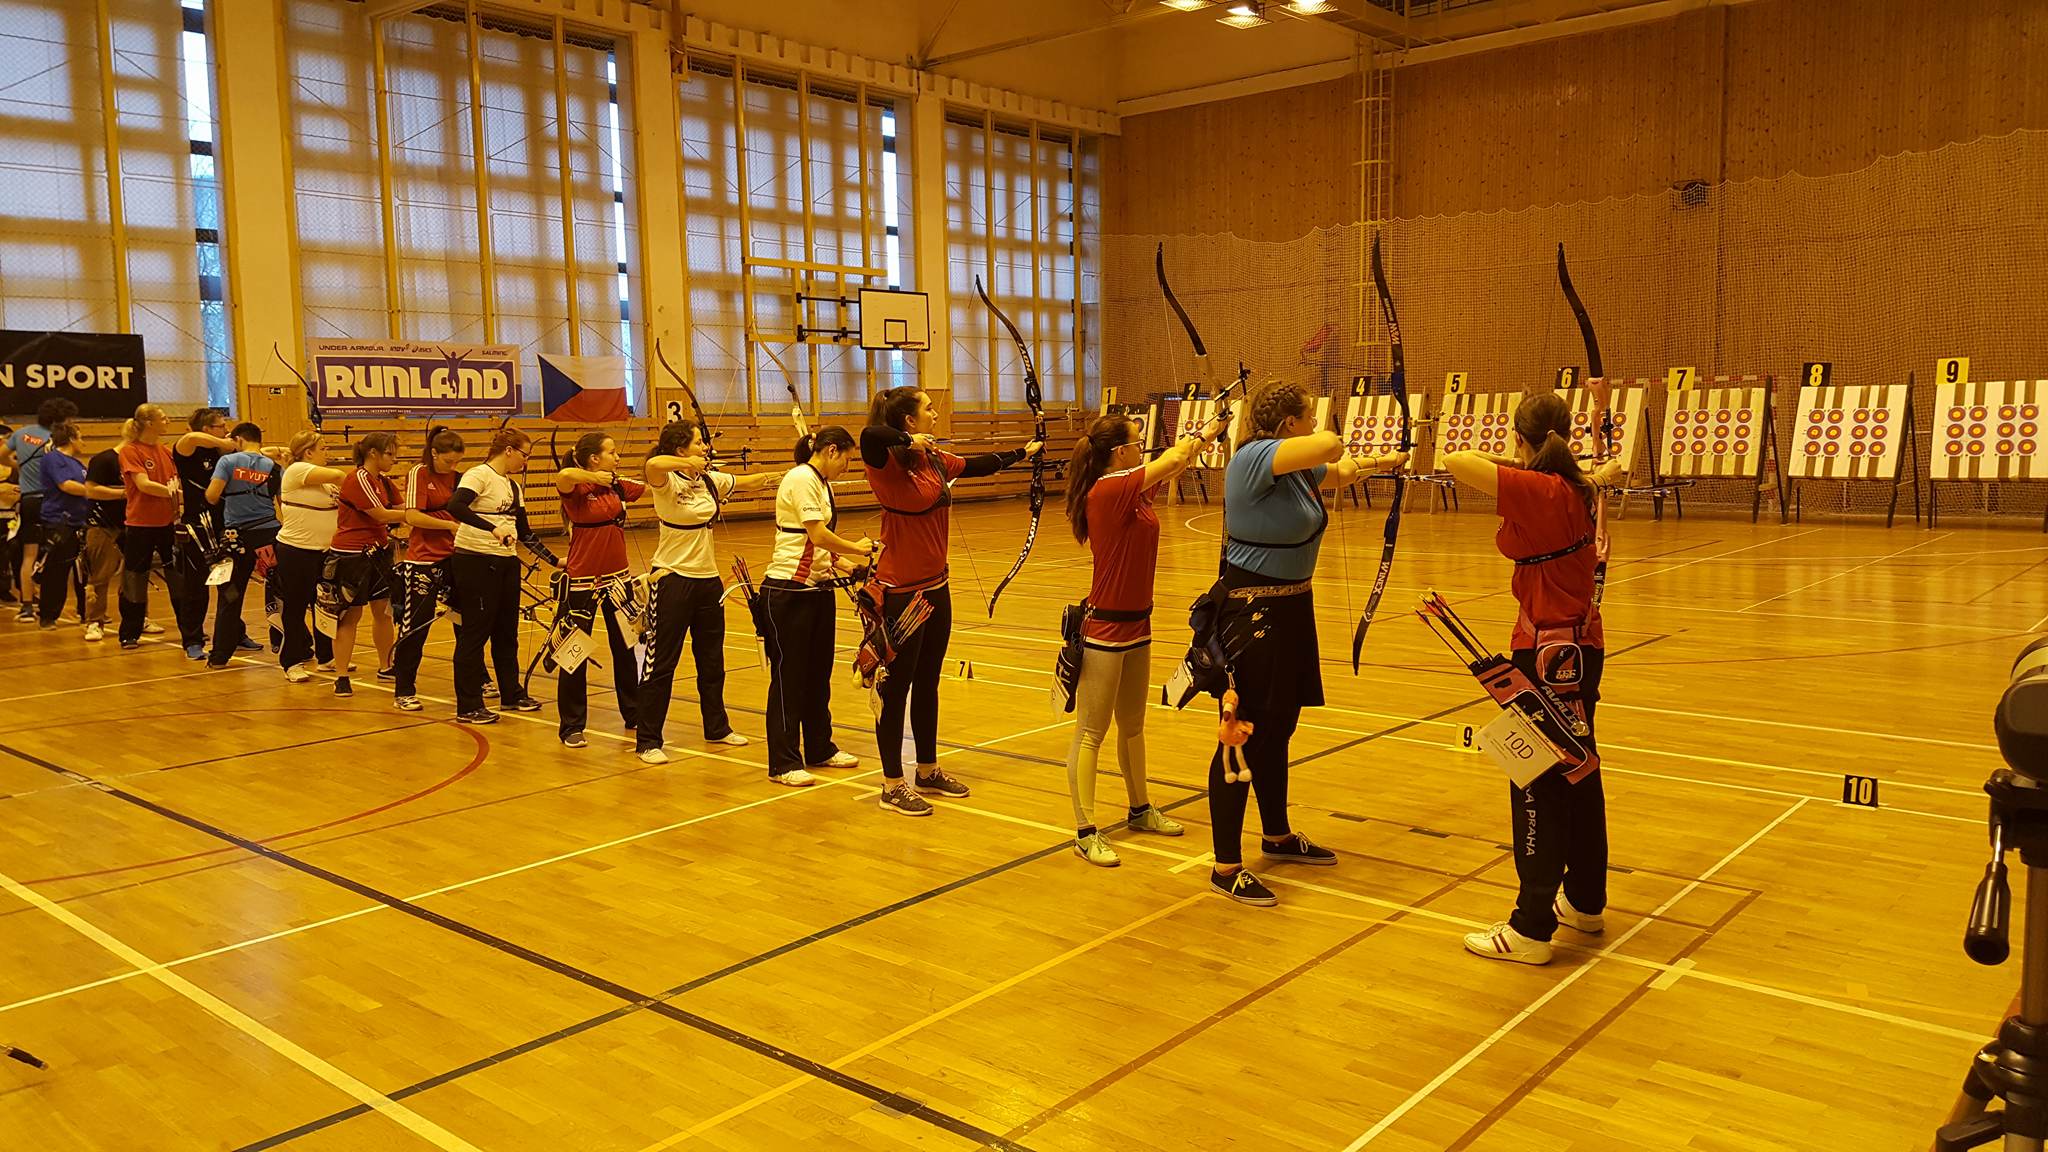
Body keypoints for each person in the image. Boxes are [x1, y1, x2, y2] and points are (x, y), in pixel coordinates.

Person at [1204, 380, 1406, 906]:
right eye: (1309, 415)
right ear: (1289, 424)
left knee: (1279, 728)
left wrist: (1388, 460)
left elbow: (1340, 470)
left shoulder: (1292, 470)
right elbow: (1331, 447)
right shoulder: (1253, 459)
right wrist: (1333, 442)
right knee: (1242, 733)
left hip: (1292, 609)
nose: (1316, 423)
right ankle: (1226, 865)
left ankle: (1276, 835)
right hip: (1253, 612)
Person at [1442, 390, 1626, 964]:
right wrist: (1573, 465)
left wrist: (1521, 463)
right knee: (1579, 771)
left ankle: (1530, 928)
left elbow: (1454, 458)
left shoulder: (1543, 489)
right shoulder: (1576, 486)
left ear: (1521, 440)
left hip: (1547, 656)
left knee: (1536, 777)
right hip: (1579, 647)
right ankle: (1585, 902)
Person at [1058, 407, 1229, 865]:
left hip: (1138, 624)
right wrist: (1193, 441)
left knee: (1133, 725)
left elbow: (1176, 464)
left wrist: (1209, 432)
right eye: (1137, 442)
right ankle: (1085, 830)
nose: (1142, 448)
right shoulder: (1109, 488)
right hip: (1105, 628)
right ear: (1120, 453)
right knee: (1091, 731)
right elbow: (1171, 460)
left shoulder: (1131, 491)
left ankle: (1139, 809)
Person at [859, 386, 1042, 816]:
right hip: (902, 592)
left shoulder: (934, 460)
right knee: (896, 688)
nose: (935, 413)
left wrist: (1023, 452)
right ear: (909, 421)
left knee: (928, 681)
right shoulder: (887, 462)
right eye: (928, 409)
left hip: (936, 587)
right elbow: (870, 435)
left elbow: (977, 465)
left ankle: (927, 769)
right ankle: (891, 784)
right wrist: (909, 442)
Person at [635, 420, 780, 763]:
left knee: (712, 661)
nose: (705, 447)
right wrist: (688, 463)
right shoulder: (666, 479)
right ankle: (648, 740)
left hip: (708, 580)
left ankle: (716, 727)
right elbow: (653, 464)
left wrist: (791, 474)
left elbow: (750, 481)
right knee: (661, 663)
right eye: (698, 442)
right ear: (680, 449)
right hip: (672, 578)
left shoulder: (709, 480)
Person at [759, 426, 873, 786]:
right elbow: (817, 535)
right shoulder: (801, 478)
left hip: (817, 590)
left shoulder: (822, 484)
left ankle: (820, 747)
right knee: (789, 679)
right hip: (789, 591)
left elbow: (821, 550)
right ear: (831, 450)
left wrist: (852, 566)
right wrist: (858, 548)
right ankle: (783, 762)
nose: (847, 467)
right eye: (847, 459)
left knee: (817, 676)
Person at [444, 427, 558, 725]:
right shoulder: (478, 475)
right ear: (508, 450)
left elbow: (525, 532)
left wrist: (554, 560)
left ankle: (512, 694)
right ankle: (468, 705)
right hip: (475, 560)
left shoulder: (513, 487)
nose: (526, 461)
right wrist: (491, 528)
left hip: (506, 562)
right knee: (475, 632)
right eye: (524, 454)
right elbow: (455, 506)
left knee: (507, 632)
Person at [551, 433, 652, 749]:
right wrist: (594, 478)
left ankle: (633, 712)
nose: (617, 457)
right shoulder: (577, 488)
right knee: (575, 651)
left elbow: (653, 485)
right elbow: (564, 476)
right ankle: (571, 725)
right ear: (594, 458)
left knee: (625, 648)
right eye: (611, 452)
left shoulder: (617, 485)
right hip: (583, 580)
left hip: (618, 579)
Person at [388, 427, 466, 712]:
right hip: (424, 560)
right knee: (416, 627)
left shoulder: (458, 478)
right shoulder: (419, 473)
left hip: (456, 557)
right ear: (434, 453)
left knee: (465, 623)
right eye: (448, 461)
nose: (452, 467)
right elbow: (412, 516)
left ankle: (477, 679)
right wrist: (448, 525)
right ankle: (404, 689)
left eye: (457, 461)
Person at [326, 432, 404, 698]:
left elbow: (403, 506)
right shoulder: (358, 478)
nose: (394, 459)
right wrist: (414, 516)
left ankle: (386, 666)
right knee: (350, 615)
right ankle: (341, 675)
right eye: (390, 454)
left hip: (379, 552)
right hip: (352, 555)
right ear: (373, 453)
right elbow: (381, 514)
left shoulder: (384, 481)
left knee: (383, 612)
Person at [204, 422, 283, 667]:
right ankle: (293, 647)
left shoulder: (228, 462)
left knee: (230, 594)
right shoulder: (274, 467)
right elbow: (283, 503)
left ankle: (219, 656)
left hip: (235, 538)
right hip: (268, 535)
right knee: (280, 592)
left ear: (238, 440)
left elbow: (212, 496)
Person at [36, 424, 121, 632]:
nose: (83, 442)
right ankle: (48, 615)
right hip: (60, 522)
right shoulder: (54, 458)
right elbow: (66, 485)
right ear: (72, 438)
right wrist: (95, 491)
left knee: (84, 571)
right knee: (57, 570)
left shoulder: (77, 463)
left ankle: (87, 612)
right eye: (80, 437)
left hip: (80, 522)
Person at [275, 431, 345, 680]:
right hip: (297, 551)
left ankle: (326, 656)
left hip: (324, 552)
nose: (327, 453)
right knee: (295, 607)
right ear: (308, 452)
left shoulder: (324, 483)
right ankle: (291, 662)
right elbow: (339, 475)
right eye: (323, 448)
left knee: (325, 605)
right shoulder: (297, 470)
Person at [115, 404, 186, 650]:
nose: (168, 422)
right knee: (135, 579)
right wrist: (176, 494)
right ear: (148, 423)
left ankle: (189, 630)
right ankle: (129, 632)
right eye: (163, 418)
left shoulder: (166, 451)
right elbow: (143, 485)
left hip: (169, 523)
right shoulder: (130, 451)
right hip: (140, 525)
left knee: (178, 577)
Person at [172, 407, 239, 658]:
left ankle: (234, 632)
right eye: (220, 426)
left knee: (230, 581)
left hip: (223, 522)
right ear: (207, 429)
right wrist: (224, 443)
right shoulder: (187, 448)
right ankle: (193, 639)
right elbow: (191, 437)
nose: (225, 429)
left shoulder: (220, 453)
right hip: (197, 525)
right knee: (195, 585)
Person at [8, 397, 79, 619]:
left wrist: (19, 466)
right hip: (53, 501)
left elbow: (1, 456)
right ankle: (65, 607)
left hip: (29, 500)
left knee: (29, 554)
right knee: (59, 555)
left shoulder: (21, 434)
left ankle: (27, 606)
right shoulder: (58, 440)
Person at [81, 440, 132, 643]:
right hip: (102, 524)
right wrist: (125, 492)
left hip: (132, 523)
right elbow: (91, 490)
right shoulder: (104, 460)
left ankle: (137, 619)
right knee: (99, 575)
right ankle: (94, 621)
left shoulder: (140, 460)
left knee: (134, 575)